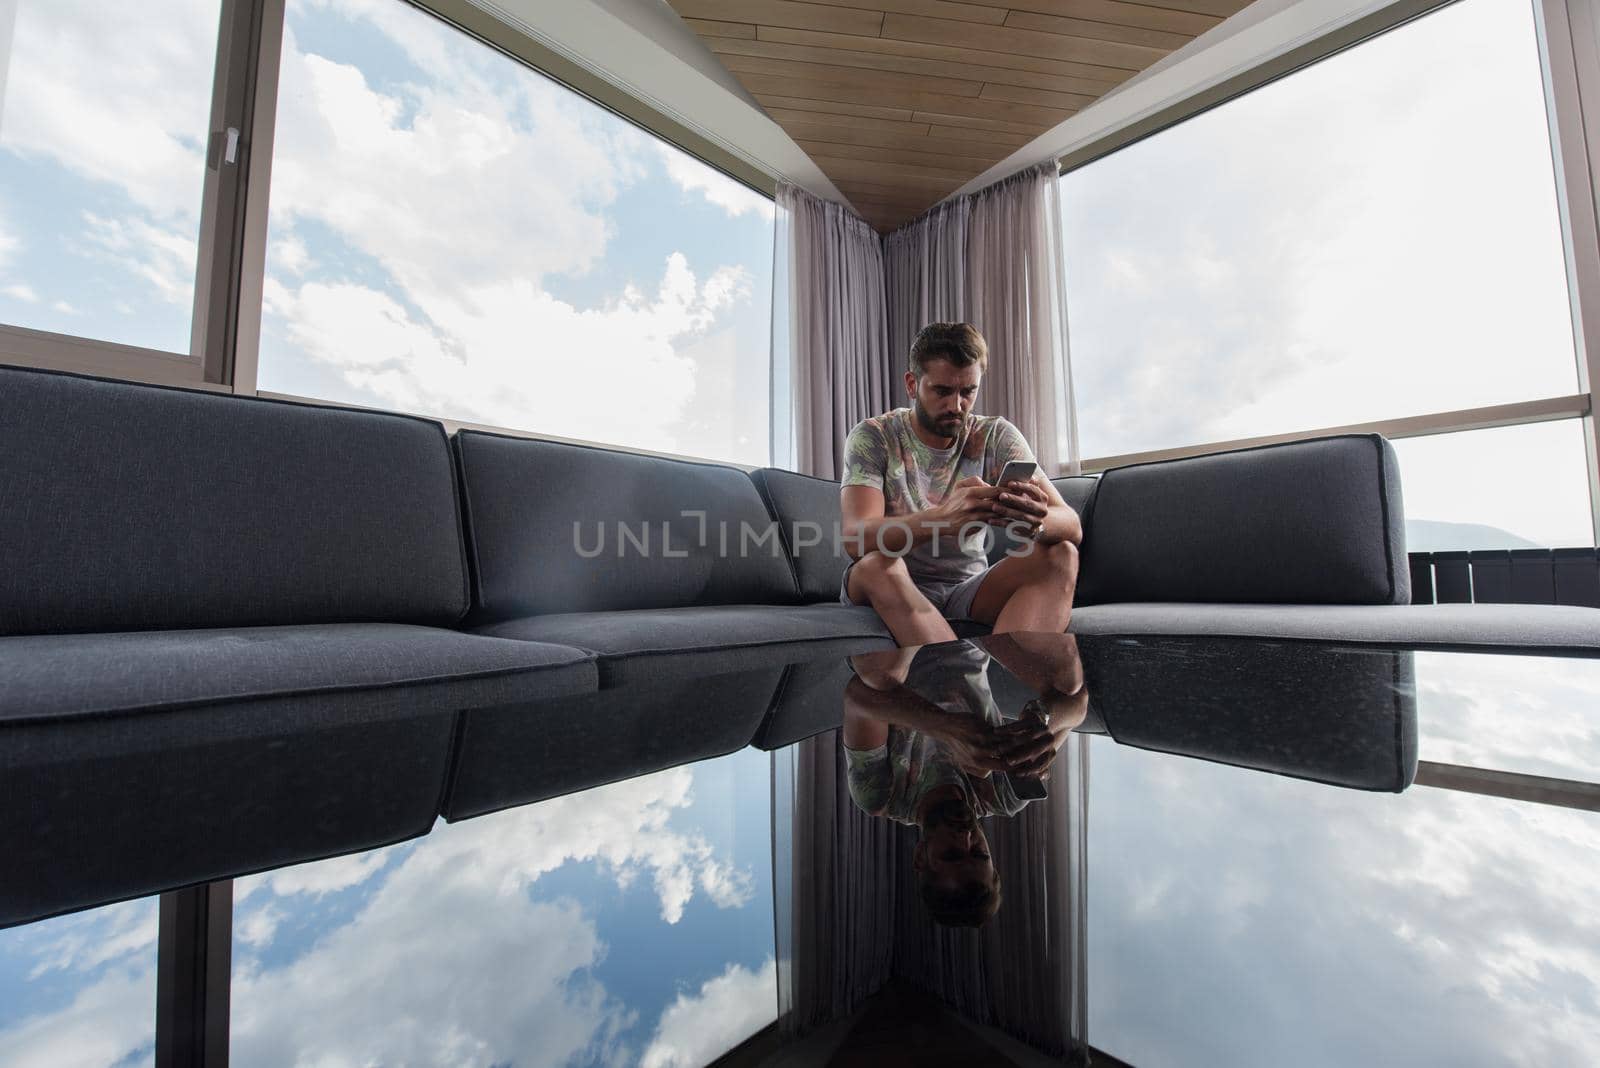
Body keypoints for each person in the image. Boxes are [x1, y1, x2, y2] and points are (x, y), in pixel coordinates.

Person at [839, 322, 1081, 647]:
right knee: (878, 565)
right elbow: (856, 538)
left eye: (968, 392)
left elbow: (1071, 525)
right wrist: (942, 520)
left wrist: (1036, 521)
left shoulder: (995, 435)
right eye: (942, 391)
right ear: (912, 385)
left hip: (967, 587)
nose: (956, 406)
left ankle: (1014, 684)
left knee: (1061, 554)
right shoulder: (874, 436)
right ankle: (960, 685)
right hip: (891, 582)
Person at [843, 637, 1088, 928]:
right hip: (975, 633)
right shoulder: (1004, 793)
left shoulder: (881, 795)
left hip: (894, 642)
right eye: (979, 853)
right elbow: (1078, 703)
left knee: (879, 674)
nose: (967, 837)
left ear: (921, 856)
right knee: (1068, 683)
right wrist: (1041, 721)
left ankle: (928, 613)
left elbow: (857, 697)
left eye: (953, 853)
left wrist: (948, 728)